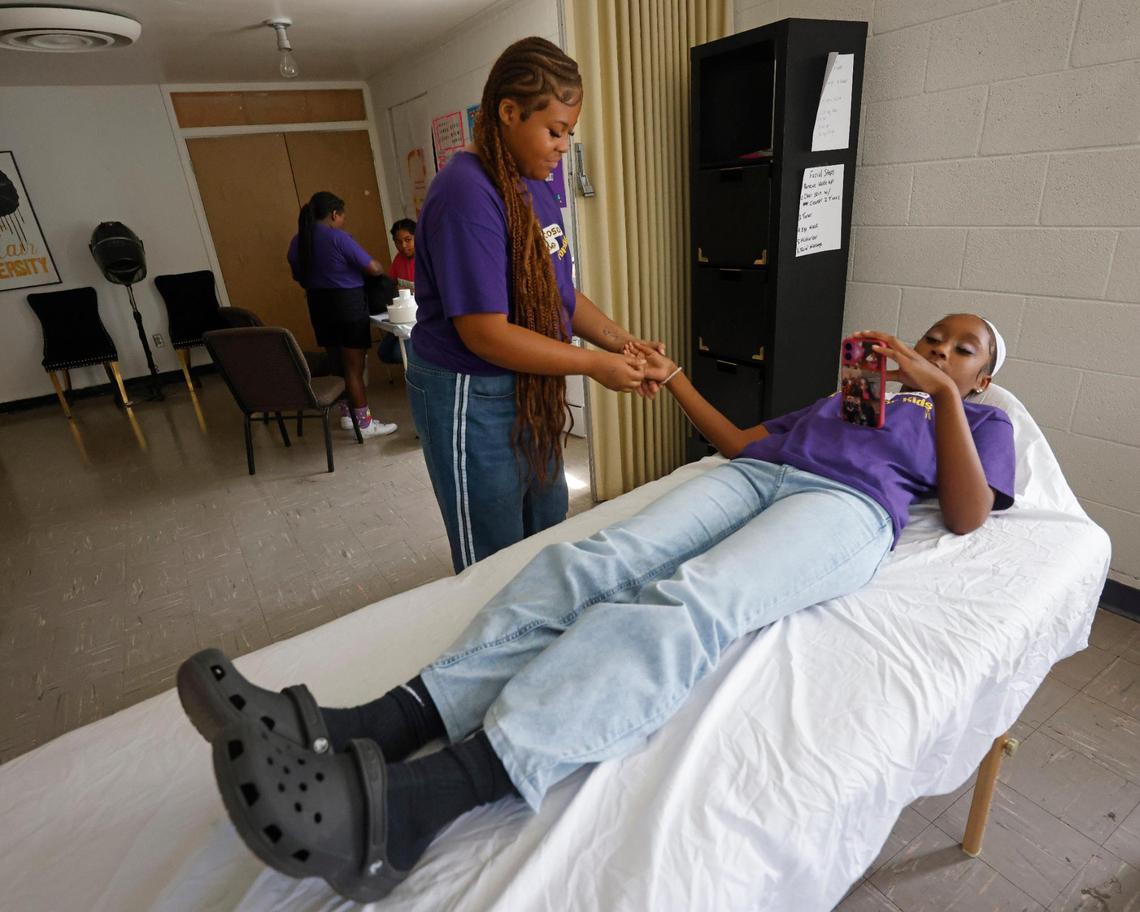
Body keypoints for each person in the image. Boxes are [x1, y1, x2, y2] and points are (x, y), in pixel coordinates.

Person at [178, 312, 1015, 903]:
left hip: (846, 510)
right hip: (762, 477)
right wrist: (677, 377)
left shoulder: (976, 419)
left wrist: (940, 392)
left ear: (985, 374)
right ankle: (373, 722)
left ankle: (415, 804)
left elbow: (970, 514)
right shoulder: (846, 399)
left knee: (692, 600)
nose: (939, 348)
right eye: (934, 336)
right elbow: (744, 446)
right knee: (594, 561)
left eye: (962, 348)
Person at [405, 37, 663, 573]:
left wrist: (626, 344)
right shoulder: (465, 195)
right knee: (494, 557)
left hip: (527, 388)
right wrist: (597, 365)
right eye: (555, 130)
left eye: (569, 132)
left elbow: (558, 295)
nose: (564, 146)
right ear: (507, 112)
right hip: (470, 390)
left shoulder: (536, 181)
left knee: (545, 525)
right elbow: (486, 335)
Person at [287, 191, 398, 439]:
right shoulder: (338, 237)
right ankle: (365, 423)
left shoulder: (298, 241)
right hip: (347, 305)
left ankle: (348, 415)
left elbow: (298, 275)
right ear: (334, 214)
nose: (342, 221)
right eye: (342, 216)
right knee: (354, 368)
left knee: (337, 363)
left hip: (318, 305)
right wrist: (378, 266)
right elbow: (373, 267)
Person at [388, 217, 416, 290]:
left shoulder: (429, 259)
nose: (403, 245)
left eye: (408, 240)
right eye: (398, 242)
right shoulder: (398, 258)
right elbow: (391, 285)